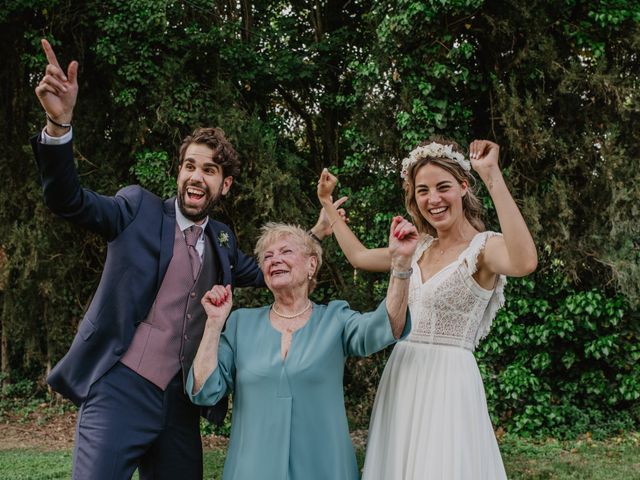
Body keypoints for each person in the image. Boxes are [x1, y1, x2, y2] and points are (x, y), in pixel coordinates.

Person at [32, 38, 337, 480]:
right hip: (119, 387)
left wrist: (314, 235)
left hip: (180, 404)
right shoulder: (136, 209)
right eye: (190, 166)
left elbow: (270, 269)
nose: (196, 176)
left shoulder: (224, 241)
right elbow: (69, 201)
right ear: (179, 172)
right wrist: (58, 128)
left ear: (224, 185)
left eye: (209, 170)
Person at [317, 138, 538, 479]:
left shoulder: (484, 249)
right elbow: (359, 257)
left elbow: (524, 261)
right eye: (423, 191)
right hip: (403, 371)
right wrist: (328, 205)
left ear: (464, 187)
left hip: (450, 379)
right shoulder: (417, 247)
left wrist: (492, 175)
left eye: (443, 187)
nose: (433, 199)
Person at [188, 220, 417, 479]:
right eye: (267, 256)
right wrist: (214, 323)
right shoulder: (241, 324)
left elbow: (387, 327)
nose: (274, 260)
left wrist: (400, 266)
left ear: (311, 264)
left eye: (286, 252)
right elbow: (204, 391)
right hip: (252, 469)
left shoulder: (335, 318)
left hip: (325, 467)